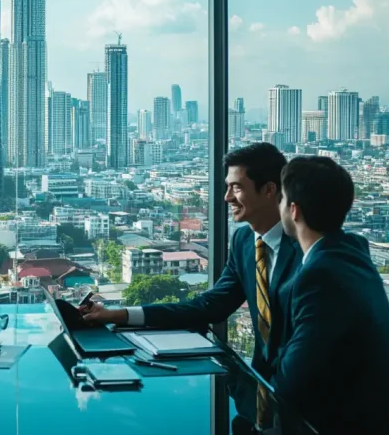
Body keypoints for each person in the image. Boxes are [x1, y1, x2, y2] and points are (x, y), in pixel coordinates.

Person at [81, 142, 301, 379]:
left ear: (269, 190)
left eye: (236, 188)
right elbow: (210, 306)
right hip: (260, 386)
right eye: (227, 187)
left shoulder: (307, 248)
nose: (227, 197)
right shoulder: (244, 241)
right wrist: (119, 315)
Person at [272, 156, 389, 434]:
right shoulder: (352, 251)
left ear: (294, 210)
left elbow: (291, 381)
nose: (278, 206)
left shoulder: (320, 275)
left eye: (281, 199)